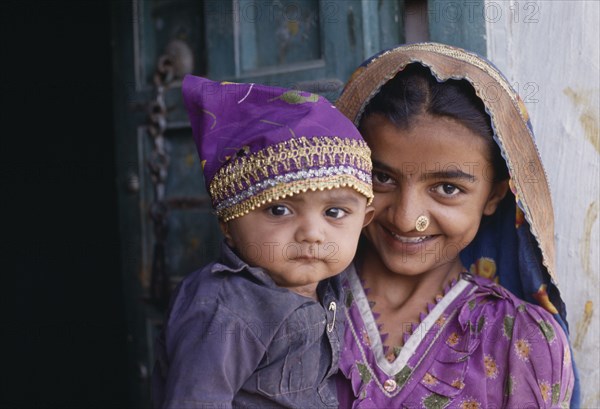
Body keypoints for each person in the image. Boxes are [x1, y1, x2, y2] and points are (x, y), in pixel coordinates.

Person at [334, 43, 577, 408]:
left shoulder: (523, 343)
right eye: (381, 177)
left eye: (448, 188)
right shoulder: (282, 307)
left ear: (495, 195)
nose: (405, 217)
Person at [152, 75, 375, 408]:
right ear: (228, 223)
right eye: (280, 209)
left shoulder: (333, 289)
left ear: (365, 221)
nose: (312, 233)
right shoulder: (226, 309)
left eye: (335, 212)